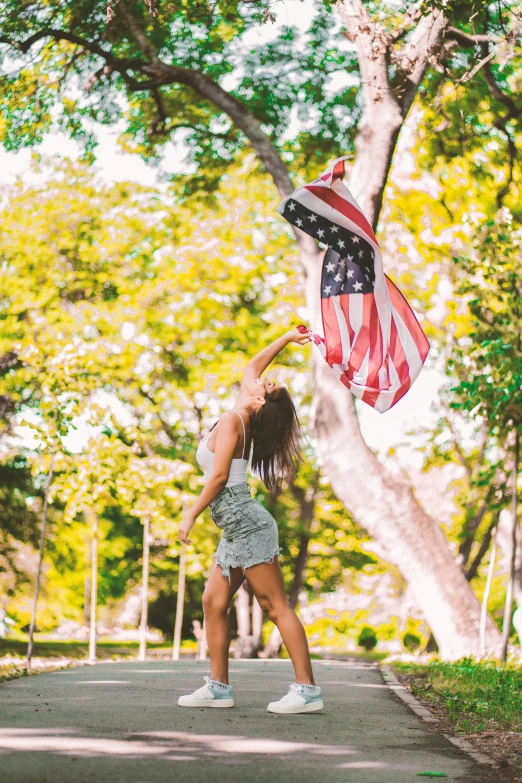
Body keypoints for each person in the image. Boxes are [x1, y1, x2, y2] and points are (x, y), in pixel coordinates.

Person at [177, 329, 324, 714]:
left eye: (268, 385)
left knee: (274, 605)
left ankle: (308, 690)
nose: (264, 377)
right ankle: (219, 687)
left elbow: (220, 477)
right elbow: (254, 364)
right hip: (236, 527)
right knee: (214, 601)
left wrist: (190, 515)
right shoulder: (242, 407)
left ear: (259, 399)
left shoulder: (233, 420)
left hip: (248, 524)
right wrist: (289, 337)